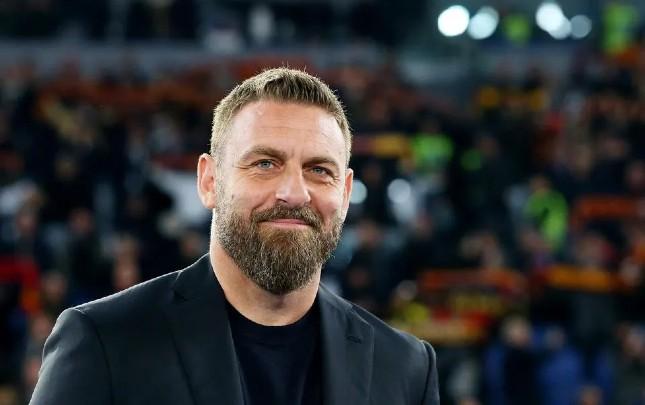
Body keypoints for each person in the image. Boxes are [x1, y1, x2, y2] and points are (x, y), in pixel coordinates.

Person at [30, 68, 439, 405]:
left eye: (319, 170)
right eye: (265, 164)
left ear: (345, 194)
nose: (294, 193)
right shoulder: (104, 341)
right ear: (209, 182)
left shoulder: (405, 367)